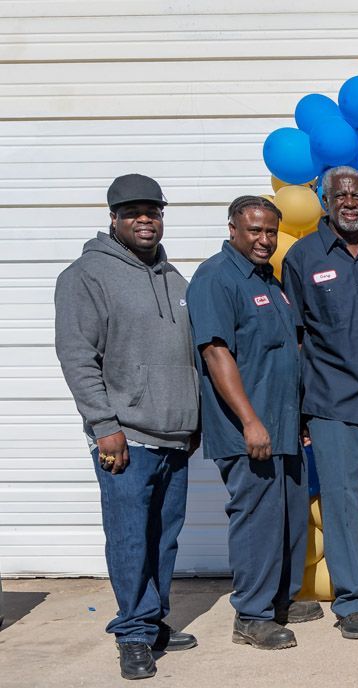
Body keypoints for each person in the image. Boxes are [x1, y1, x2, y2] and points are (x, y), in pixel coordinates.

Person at [54, 174, 199, 680]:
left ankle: (153, 621)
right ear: (113, 218)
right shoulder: (86, 276)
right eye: (133, 211)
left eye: (153, 211)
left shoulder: (174, 278)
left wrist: (193, 414)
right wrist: (103, 424)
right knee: (131, 539)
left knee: (164, 538)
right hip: (127, 438)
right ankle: (133, 634)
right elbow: (77, 357)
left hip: (174, 437)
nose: (145, 219)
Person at [187, 196, 321, 651]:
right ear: (233, 230)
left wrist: (297, 417)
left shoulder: (270, 279)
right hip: (250, 430)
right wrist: (250, 421)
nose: (264, 240)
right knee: (258, 521)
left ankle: (277, 600)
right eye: (254, 231)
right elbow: (215, 352)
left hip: (282, 425)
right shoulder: (216, 278)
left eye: (270, 232)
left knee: (288, 516)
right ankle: (251, 615)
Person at [281, 166, 358, 639]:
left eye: (357, 195)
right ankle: (350, 599)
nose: (350, 202)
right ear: (326, 200)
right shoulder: (303, 257)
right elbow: (294, 338)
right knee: (341, 500)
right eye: (342, 195)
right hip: (332, 401)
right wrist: (298, 409)